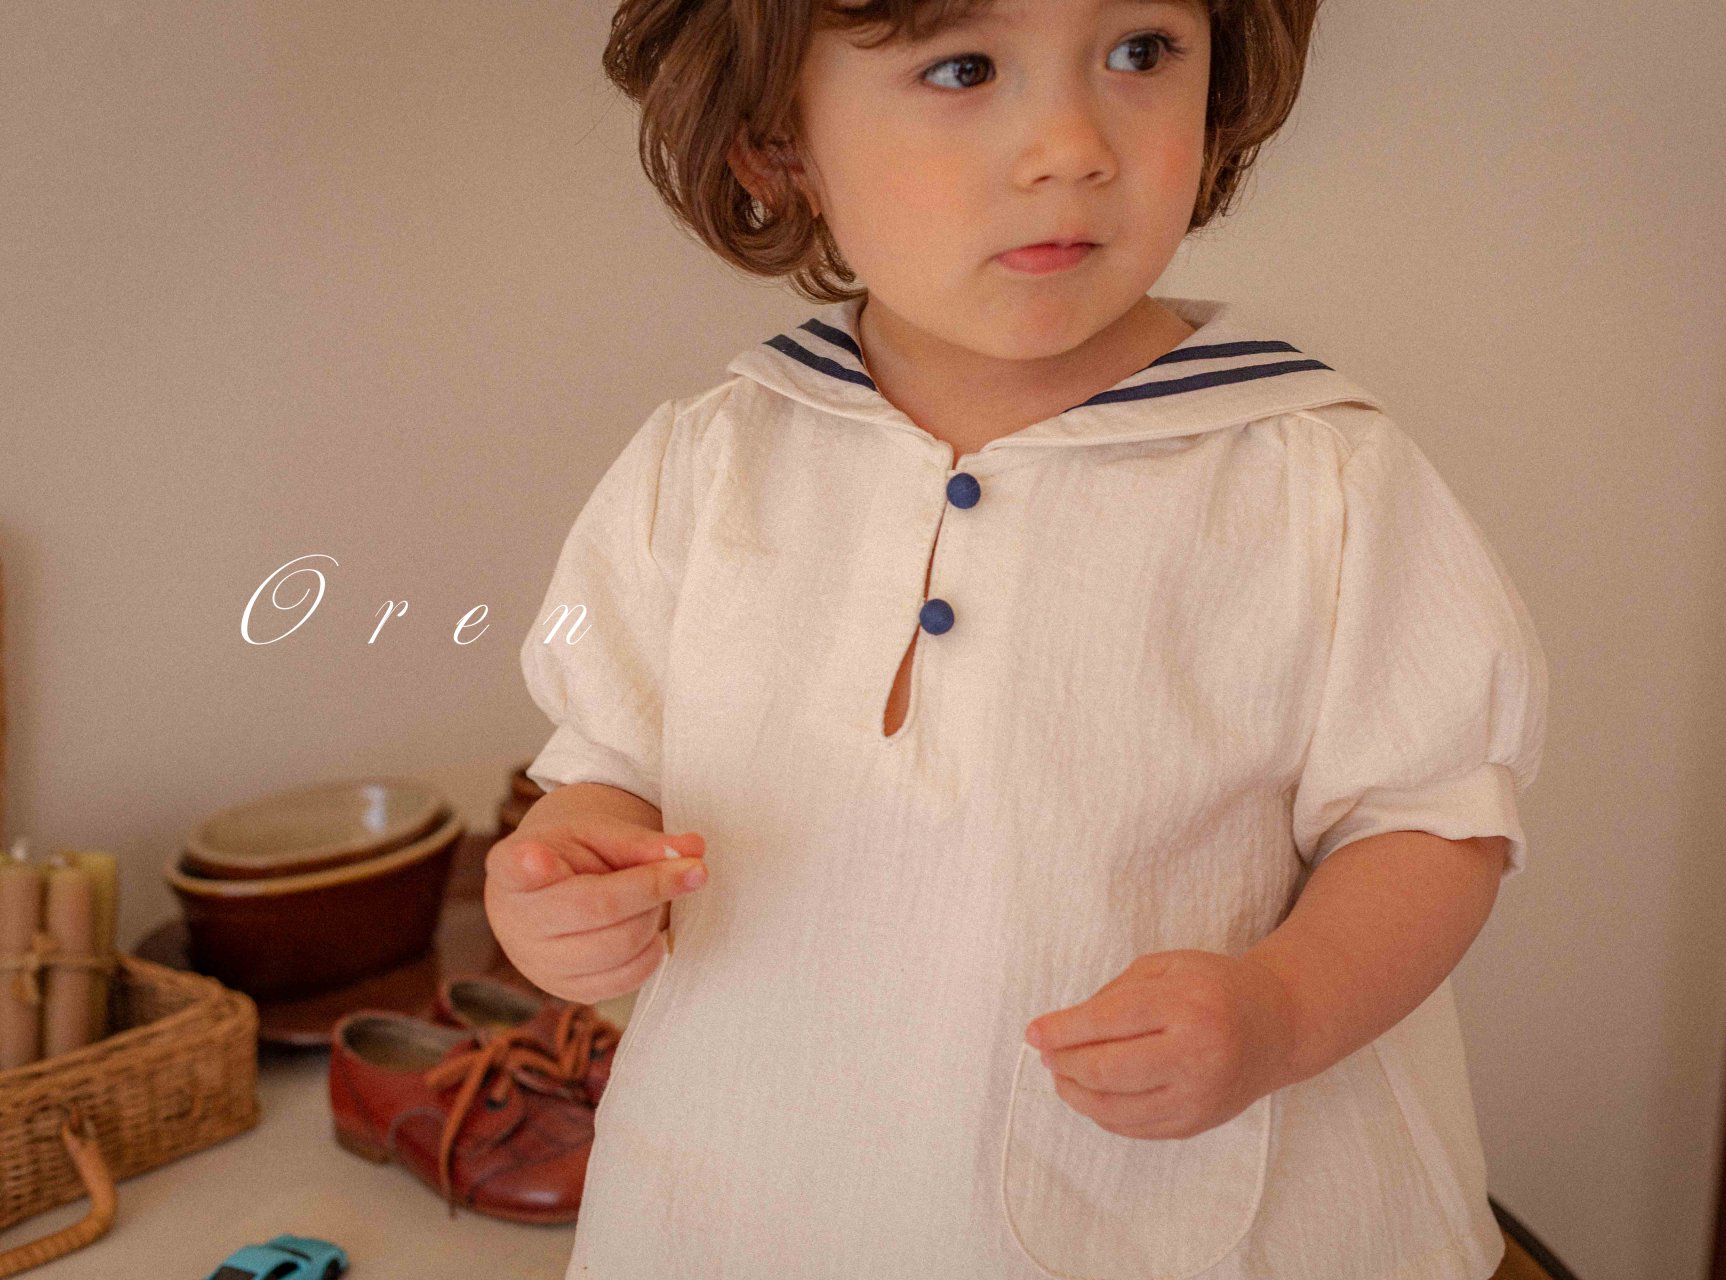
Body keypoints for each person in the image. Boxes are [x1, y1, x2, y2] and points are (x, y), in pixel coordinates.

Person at [484, 0, 1549, 1274]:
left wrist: (1280, 1008)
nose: (1073, 147)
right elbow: (612, 764)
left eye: (1140, 53)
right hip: (746, 1200)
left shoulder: (1313, 476)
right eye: (965, 68)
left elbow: (1433, 820)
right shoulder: (708, 464)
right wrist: (562, 879)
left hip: (1180, 1219)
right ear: (776, 141)